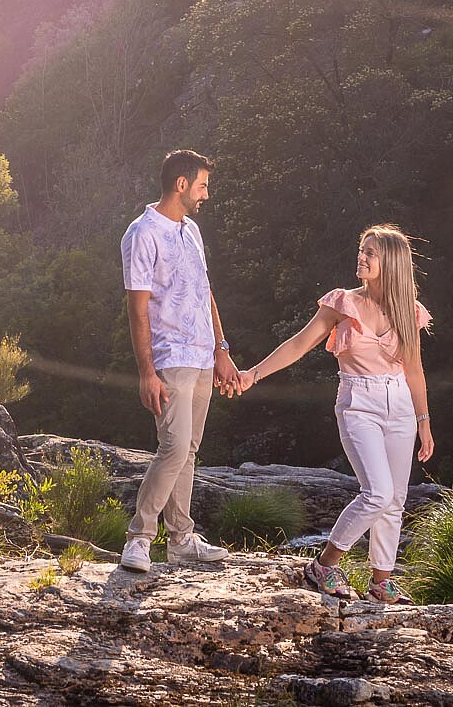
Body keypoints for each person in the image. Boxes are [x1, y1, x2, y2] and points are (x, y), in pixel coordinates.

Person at [233, 224, 433, 602]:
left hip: (401, 406)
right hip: (358, 403)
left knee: (395, 499)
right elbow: (299, 344)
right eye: (361, 250)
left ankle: (381, 583)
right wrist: (252, 374)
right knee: (377, 492)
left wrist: (424, 421)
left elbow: (415, 370)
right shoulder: (342, 303)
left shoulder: (408, 311)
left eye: (370, 253)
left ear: (391, 262)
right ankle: (323, 566)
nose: (362, 257)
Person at [118, 149, 246, 573]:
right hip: (169, 356)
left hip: (203, 356)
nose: (206, 194)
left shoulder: (191, 231)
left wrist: (221, 350)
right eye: (202, 186)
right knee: (173, 447)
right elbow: (137, 309)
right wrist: (146, 373)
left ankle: (182, 540)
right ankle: (139, 538)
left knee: (189, 451)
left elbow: (205, 292)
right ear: (181, 184)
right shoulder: (142, 233)